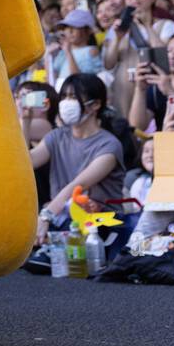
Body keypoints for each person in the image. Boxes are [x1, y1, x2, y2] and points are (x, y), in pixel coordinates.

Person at [29, 73, 128, 244]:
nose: (66, 102)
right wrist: (25, 119)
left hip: (99, 224)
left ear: (96, 104)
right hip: (61, 218)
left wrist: (45, 217)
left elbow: (77, 186)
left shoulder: (109, 145)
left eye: (73, 97)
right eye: (64, 97)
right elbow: (26, 164)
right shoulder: (57, 136)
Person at [102, 0, 174, 116]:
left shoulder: (166, 25)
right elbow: (108, 64)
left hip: (154, 93)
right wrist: (117, 38)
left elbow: (166, 58)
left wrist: (147, 26)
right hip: (123, 94)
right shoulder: (118, 28)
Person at [128, 30, 174, 133]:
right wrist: (140, 89)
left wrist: (171, 93)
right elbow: (137, 126)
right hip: (164, 146)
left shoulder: (164, 87)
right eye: (169, 51)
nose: (172, 56)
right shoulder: (157, 88)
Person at [17, 80, 58, 206]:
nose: (19, 102)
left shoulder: (46, 126)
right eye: (17, 97)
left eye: (26, 97)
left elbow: (8, 127)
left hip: (46, 202)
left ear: (45, 104)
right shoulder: (22, 123)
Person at [48, 8, 102, 88]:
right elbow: (52, 79)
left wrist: (68, 53)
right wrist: (48, 56)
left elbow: (79, 80)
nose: (70, 31)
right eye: (66, 27)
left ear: (88, 30)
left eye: (75, 27)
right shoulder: (62, 53)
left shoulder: (91, 51)